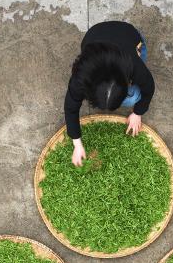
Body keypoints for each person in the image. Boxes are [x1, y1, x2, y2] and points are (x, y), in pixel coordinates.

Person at [64, 21, 154, 166]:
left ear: (126, 82)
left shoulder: (132, 64)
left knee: (132, 98)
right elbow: (70, 108)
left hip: (130, 36)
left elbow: (149, 87)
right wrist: (77, 144)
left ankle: (139, 50)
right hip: (95, 34)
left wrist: (138, 112)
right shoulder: (81, 77)